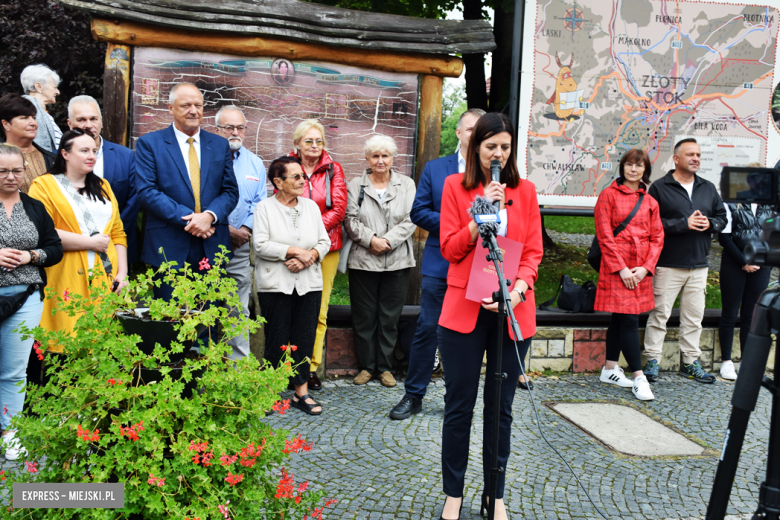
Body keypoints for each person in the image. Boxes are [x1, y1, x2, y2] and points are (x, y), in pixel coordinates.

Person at [437, 112, 542, 520]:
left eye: (505, 147)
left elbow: (532, 252)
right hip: (464, 309)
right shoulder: (453, 187)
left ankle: (494, 495)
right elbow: (449, 249)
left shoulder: (527, 191)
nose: (498, 154)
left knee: (501, 408)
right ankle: (454, 493)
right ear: (475, 147)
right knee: (459, 405)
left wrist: (517, 292)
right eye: (490, 146)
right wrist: (477, 218)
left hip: (510, 309)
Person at [389, 108, 484, 420]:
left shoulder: (493, 172)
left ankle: (456, 400)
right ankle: (413, 395)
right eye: (470, 129)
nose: (475, 134)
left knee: (468, 333)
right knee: (428, 329)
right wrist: (458, 226)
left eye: (480, 130)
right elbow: (418, 212)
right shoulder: (436, 168)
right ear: (458, 132)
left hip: (479, 265)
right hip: (441, 262)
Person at [133, 82, 239, 299]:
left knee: (207, 322)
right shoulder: (150, 144)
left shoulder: (219, 145)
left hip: (212, 245)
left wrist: (209, 216)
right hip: (168, 245)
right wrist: (192, 221)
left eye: (198, 105)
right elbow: (147, 191)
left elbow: (230, 191)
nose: (194, 110)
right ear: (171, 108)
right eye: (186, 105)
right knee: (170, 322)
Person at [28, 129, 128, 356]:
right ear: (65, 153)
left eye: (94, 150)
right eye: (84, 150)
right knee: (67, 347)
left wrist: (122, 273)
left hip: (106, 276)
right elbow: (41, 233)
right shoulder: (44, 185)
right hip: (66, 274)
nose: (91, 155)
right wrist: (90, 243)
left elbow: (118, 232)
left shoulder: (102, 185)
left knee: (103, 350)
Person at [643, 138, 727, 384]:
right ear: (676, 159)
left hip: (699, 265)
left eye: (698, 155)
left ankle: (690, 362)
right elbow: (651, 224)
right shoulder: (660, 187)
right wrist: (683, 224)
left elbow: (722, 217)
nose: (696, 158)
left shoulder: (708, 188)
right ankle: (652, 361)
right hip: (668, 264)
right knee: (660, 315)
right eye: (690, 154)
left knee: (694, 318)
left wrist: (710, 224)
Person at [254, 156, 330, 415]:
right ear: (278, 182)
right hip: (275, 285)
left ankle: (301, 392)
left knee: (304, 337)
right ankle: (268, 392)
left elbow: (324, 241)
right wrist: (295, 251)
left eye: (303, 176)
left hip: (309, 283)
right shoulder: (264, 208)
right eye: (295, 177)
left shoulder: (310, 207)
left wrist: (311, 257)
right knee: (276, 338)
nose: (302, 181)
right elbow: (261, 245)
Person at [0, 143, 62, 460]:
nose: (11, 176)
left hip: (25, 296)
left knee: (14, 370)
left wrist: (31, 255)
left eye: (16, 170)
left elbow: (54, 248)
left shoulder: (35, 206)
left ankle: (10, 431)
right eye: (3, 171)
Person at [344, 135, 416, 388]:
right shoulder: (356, 185)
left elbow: (411, 218)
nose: (380, 160)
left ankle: (384, 367)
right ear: (367, 159)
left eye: (385, 155)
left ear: (393, 158)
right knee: (364, 316)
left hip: (397, 260)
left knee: (389, 316)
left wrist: (387, 241)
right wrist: (371, 240)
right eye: (375, 156)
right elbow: (350, 219)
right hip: (363, 259)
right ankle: (366, 367)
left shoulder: (406, 184)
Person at [593, 149, 663, 401]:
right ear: (622, 167)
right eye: (629, 164)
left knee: (620, 320)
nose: (633, 169)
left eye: (639, 165)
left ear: (645, 170)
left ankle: (610, 368)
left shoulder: (650, 201)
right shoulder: (608, 195)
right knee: (630, 321)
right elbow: (604, 235)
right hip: (618, 267)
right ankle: (639, 377)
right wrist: (621, 268)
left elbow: (658, 237)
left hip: (640, 269)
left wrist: (645, 268)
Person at [288, 119, 346, 390]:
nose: (314, 146)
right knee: (289, 308)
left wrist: (312, 237)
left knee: (318, 311)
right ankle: (287, 365)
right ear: (297, 143)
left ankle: (310, 368)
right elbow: (282, 204)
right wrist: (300, 242)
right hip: (292, 248)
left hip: (326, 249)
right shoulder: (285, 167)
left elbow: (339, 209)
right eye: (308, 141)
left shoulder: (334, 169)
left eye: (318, 141)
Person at [214, 105, 266, 361]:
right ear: (217, 129)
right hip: (209, 241)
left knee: (238, 307)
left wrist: (244, 229)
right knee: (204, 305)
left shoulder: (255, 163)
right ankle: (204, 365)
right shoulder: (206, 157)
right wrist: (226, 229)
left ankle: (238, 369)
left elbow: (260, 202)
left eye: (240, 127)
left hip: (241, 246)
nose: (235, 132)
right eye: (229, 127)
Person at [67, 96, 140, 263]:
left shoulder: (126, 156)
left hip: (118, 245)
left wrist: (111, 234)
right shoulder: (59, 158)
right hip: (73, 248)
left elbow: (133, 200)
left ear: (101, 121)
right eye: (81, 119)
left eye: (93, 119)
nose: (88, 125)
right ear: (70, 124)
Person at [717, 162, 773, 380]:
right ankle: (726, 361)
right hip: (734, 263)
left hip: (761, 266)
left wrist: (760, 261)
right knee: (730, 314)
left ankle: (746, 362)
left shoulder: (771, 205)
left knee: (751, 315)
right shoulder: (731, 202)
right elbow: (724, 236)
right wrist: (743, 260)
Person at [0, 94, 55, 192]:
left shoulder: (52, 159)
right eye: (24, 118)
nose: (33, 123)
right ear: (6, 124)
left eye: (33, 117)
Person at [20, 64, 62, 153]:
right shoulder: (31, 107)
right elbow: (40, 146)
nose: (57, 92)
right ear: (38, 87)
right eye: (54, 87)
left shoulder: (39, 110)